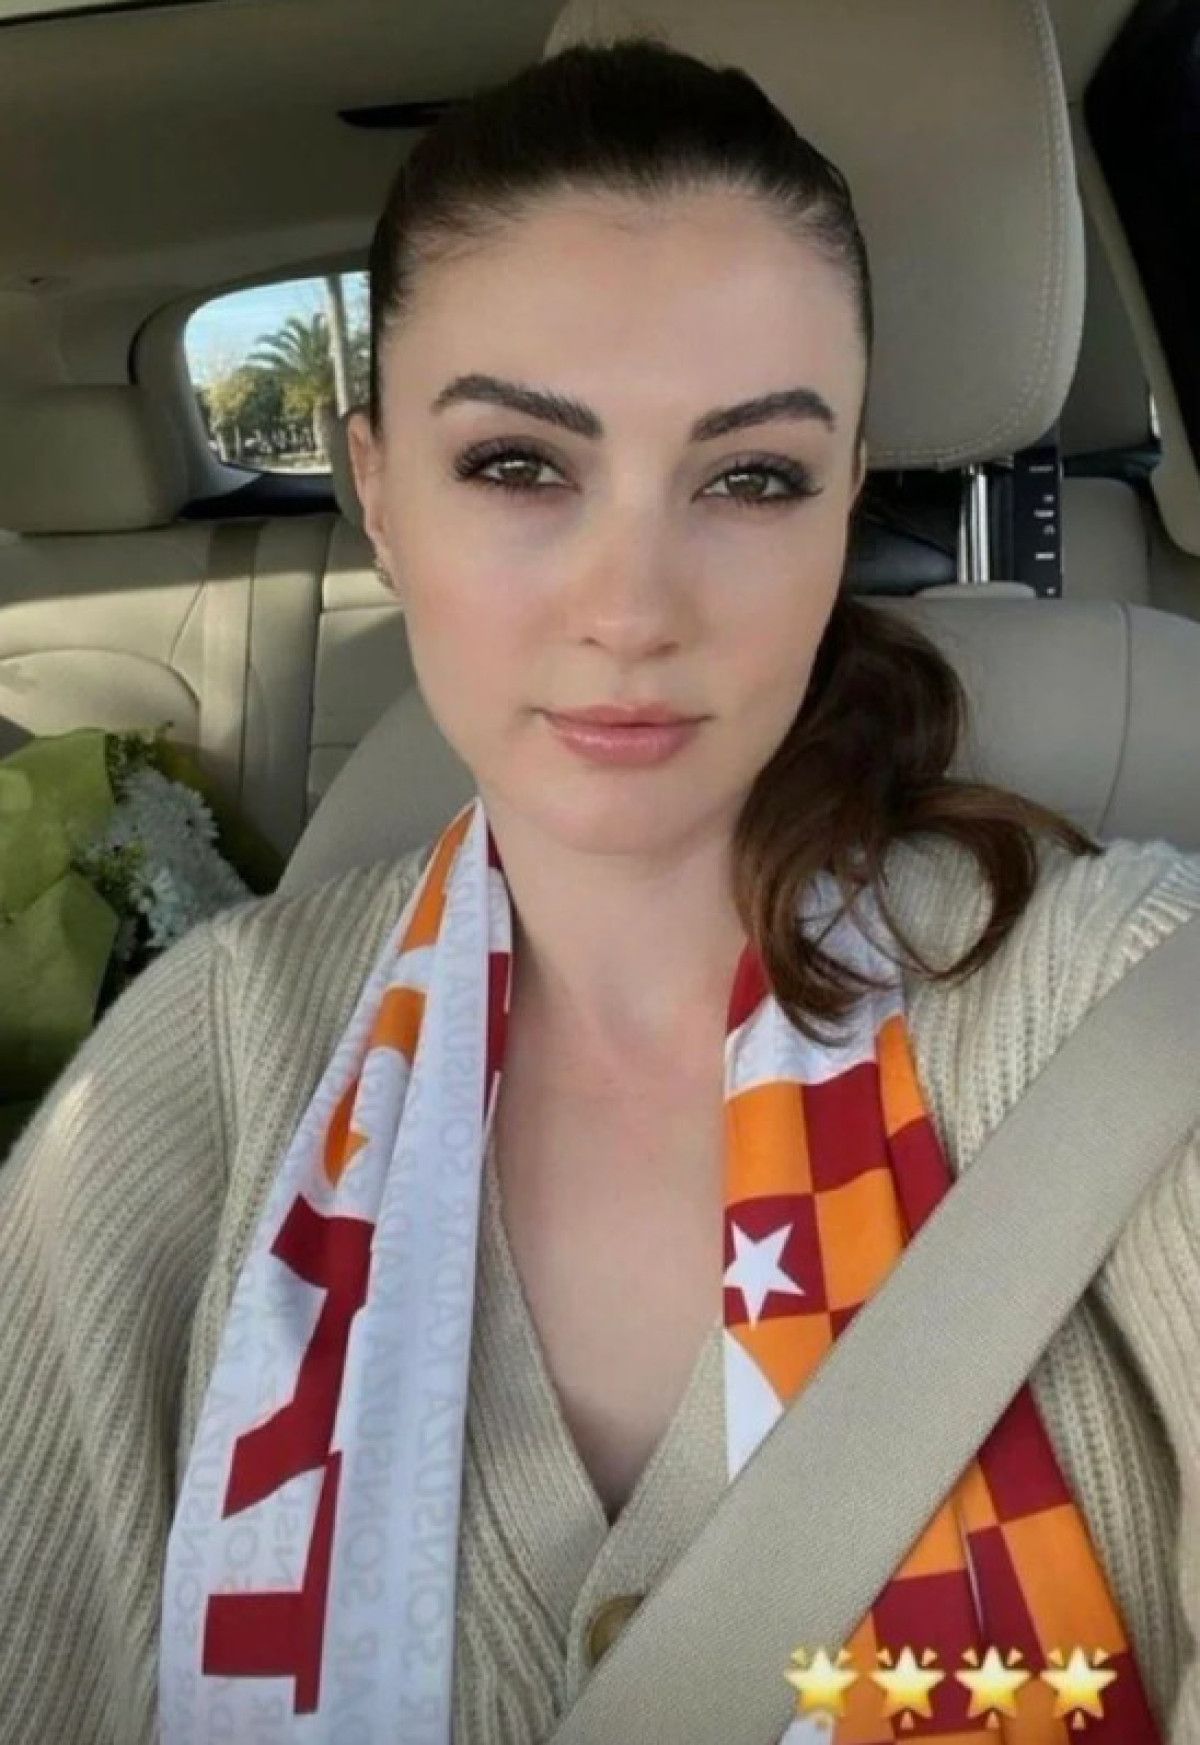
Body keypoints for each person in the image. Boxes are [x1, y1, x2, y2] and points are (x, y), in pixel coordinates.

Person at [1, 32, 1198, 1745]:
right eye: (518, 463)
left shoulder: (1125, 1009)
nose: (633, 607)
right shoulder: (200, 1067)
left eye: (753, 477)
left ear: (845, 500)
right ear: (378, 493)